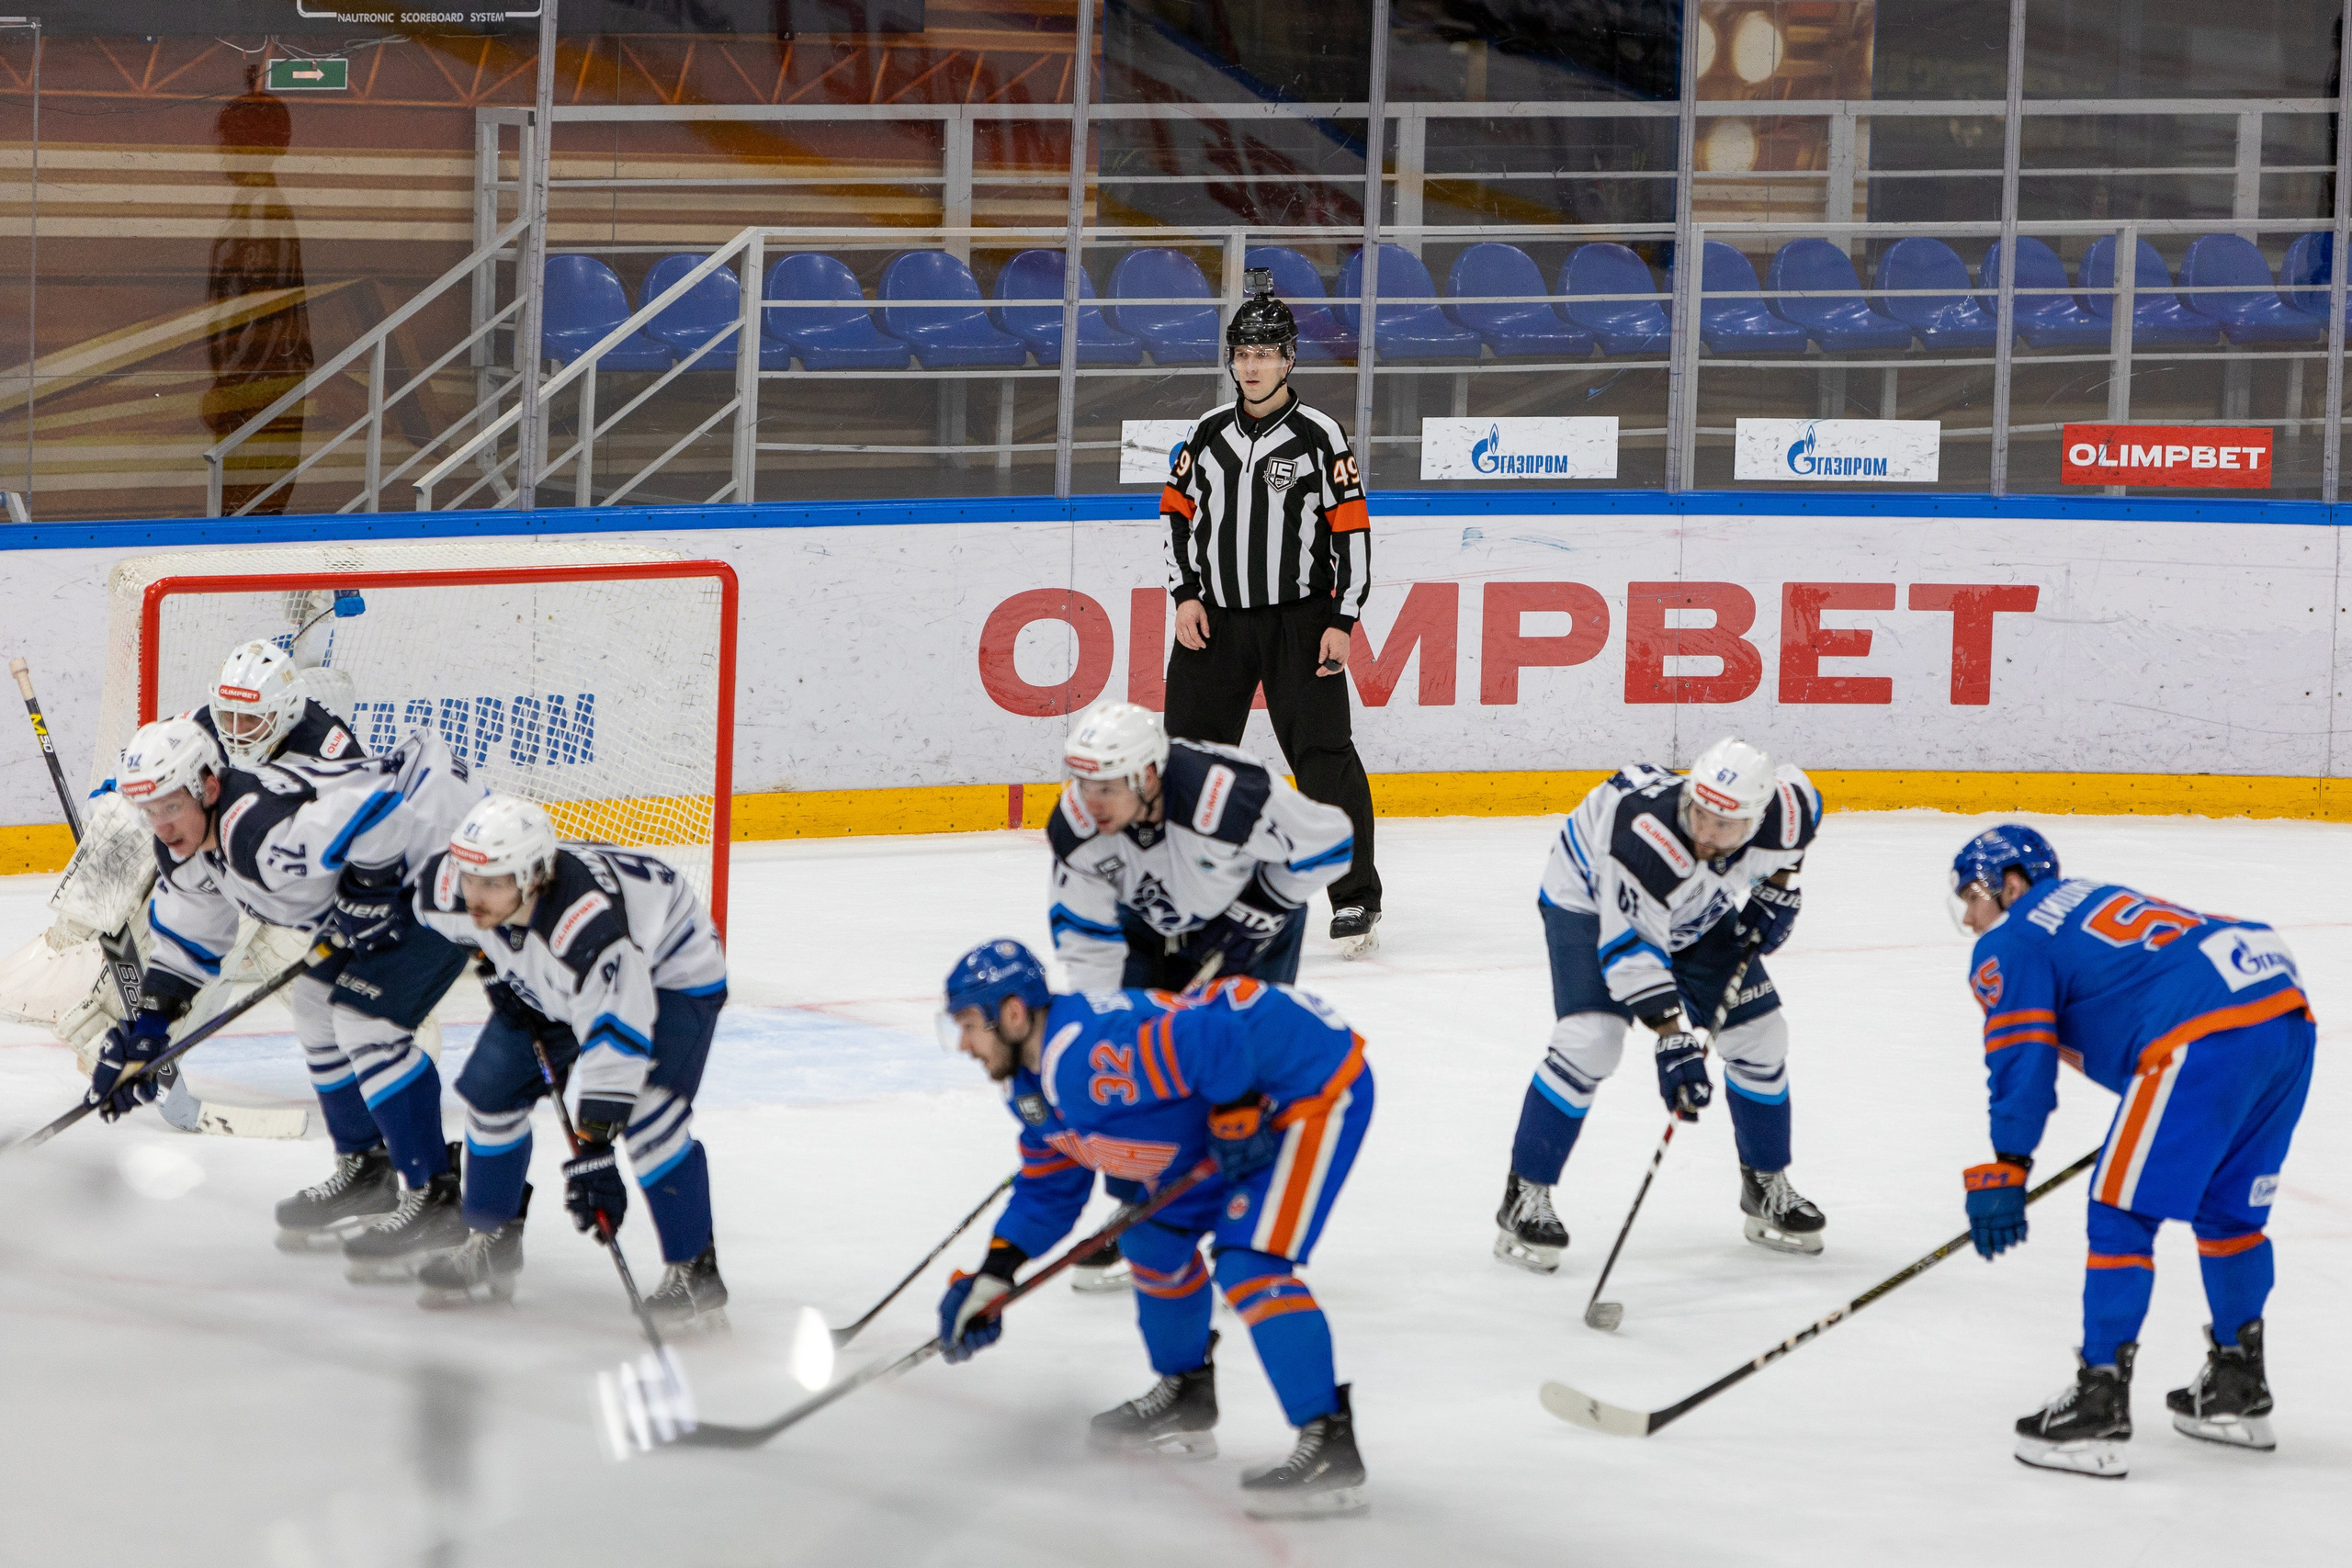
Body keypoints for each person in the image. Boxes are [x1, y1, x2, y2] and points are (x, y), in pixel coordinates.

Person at [934, 939, 1374, 1519]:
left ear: (1012, 1014)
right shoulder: (1029, 1087)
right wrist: (994, 1275)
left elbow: (1212, 1039)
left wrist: (1239, 1108)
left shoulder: (1088, 1053)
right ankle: (1187, 1395)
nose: (963, 1044)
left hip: (1307, 1086)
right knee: (1151, 1239)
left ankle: (1329, 1442)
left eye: (969, 1025)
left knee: (1251, 1264)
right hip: (1226, 1114)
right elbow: (1049, 1191)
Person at [1951, 825, 2314, 1477]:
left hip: (2201, 1029)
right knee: (2228, 1213)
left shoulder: (2014, 936)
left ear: (2012, 883)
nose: (1972, 916)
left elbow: (2022, 1052)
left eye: (1974, 896)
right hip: (2280, 1006)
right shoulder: (2084, 898)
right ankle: (2237, 1385)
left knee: (2119, 1209)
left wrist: (2010, 1161)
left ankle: (2099, 1399)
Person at [88, 716, 482, 1277]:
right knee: (316, 1010)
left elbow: (381, 814)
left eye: (171, 805)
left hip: (438, 873)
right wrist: (147, 1035)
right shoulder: (189, 849)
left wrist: (369, 892)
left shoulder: (260, 835)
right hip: (386, 886)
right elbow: (187, 946)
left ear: (209, 785)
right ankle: (368, 1171)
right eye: (149, 811)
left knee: (367, 1024)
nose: (162, 826)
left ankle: (437, 1195)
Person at [1495, 738, 1824, 1273]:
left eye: (1725, 825)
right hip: (1589, 896)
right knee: (1591, 1041)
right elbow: (1630, 949)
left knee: (1761, 1036)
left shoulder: (1783, 812)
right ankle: (1525, 1194)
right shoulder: (1649, 837)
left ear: (1755, 818)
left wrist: (1781, 888)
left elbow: (1802, 815)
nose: (1706, 834)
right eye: (1699, 814)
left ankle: (1765, 1185)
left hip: (1692, 904)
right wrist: (1673, 1037)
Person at [406, 795, 731, 1328]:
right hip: (558, 974)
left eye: (492, 883)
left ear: (532, 876)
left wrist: (596, 1151)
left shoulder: (587, 931)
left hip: (669, 972)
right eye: (470, 878)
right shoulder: (453, 888)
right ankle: (492, 1237)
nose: (474, 895)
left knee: (650, 1116)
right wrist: (491, 961)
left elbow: (616, 1040)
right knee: (492, 1094)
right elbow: (432, 909)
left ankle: (694, 1270)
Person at [1158, 267, 1383, 956]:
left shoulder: (1321, 435)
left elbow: (1353, 532)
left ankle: (1354, 897)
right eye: (1243, 354)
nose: (1252, 367)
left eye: (1266, 354)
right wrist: (1185, 594)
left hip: (1301, 624)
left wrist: (1343, 619)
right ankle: (1188, 891)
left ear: (1289, 359)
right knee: (1190, 760)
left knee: (1323, 761)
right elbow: (1175, 518)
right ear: (1232, 359)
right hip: (1215, 623)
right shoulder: (1205, 431)